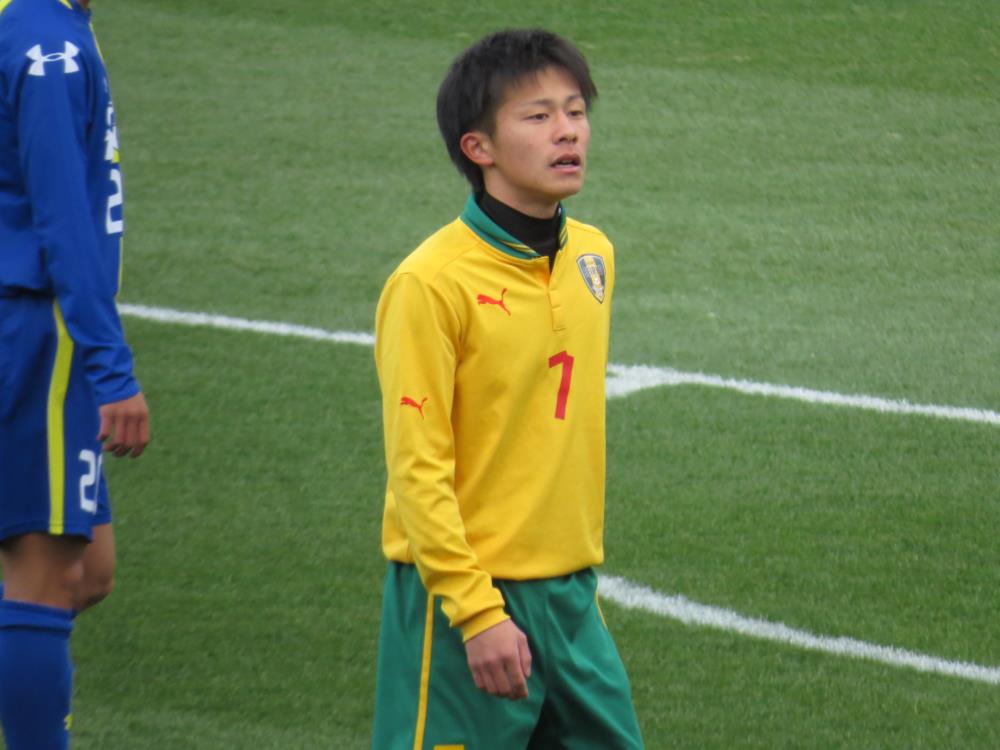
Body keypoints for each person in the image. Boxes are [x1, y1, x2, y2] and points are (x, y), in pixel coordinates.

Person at [372, 28, 643, 749]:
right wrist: (475, 610)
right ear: (478, 147)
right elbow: (417, 466)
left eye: (576, 111)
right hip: (464, 603)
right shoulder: (430, 284)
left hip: (571, 597)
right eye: (538, 116)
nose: (568, 131)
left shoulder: (593, 256)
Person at [0, 0, 150, 747]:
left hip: (33, 323)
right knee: (47, 577)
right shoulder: (46, 44)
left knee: (89, 571)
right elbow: (64, 219)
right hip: (40, 330)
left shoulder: (45, 24)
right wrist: (110, 369)